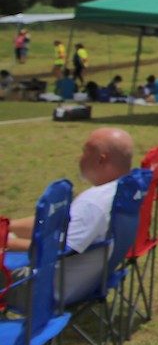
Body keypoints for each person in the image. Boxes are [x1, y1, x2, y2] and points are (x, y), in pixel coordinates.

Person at [4, 127, 135, 306]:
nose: (79, 158)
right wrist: (7, 226)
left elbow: (58, 250)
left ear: (100, 159)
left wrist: (7, 243)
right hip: (87, 282)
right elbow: (55, 224)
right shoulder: (123, 193)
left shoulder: (93, 203)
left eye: (84, 152)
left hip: (43, 291)